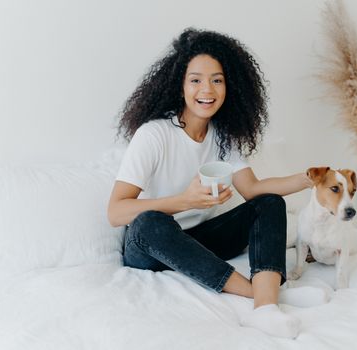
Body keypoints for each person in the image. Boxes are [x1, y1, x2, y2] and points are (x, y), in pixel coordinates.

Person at [108, 28, 324, 339]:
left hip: (196, 241)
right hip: (150, 248)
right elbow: (116, 212)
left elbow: (252, 190)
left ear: (229, 86)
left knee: (269, 203)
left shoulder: (223, 137)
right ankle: (264, 295)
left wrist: (307, 179)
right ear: (179, 85)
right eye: (195, 79)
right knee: (150, 223)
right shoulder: (154, 134)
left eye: (217, 80)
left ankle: (265, 308)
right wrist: (186, 200)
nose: (206, 89)